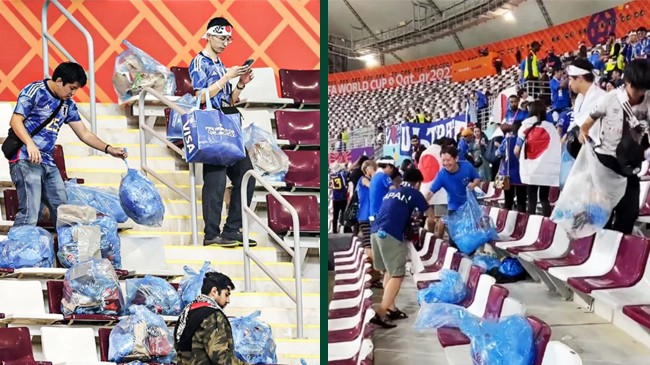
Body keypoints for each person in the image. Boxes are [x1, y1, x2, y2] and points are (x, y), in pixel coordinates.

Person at [8, 62, 127, 227]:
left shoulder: (67, 104)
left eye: (76, 89)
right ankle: (20, 250)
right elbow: (15, 120)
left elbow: (84, 133)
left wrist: (109, 149)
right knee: (30, 213)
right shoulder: (34, 91)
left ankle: (67, 251)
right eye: (71, 87)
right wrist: (30, 144)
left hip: (47, 161)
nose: (73, 93)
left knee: (64, 212)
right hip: (25, 157)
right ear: (58, 81)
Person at [189, 17, 256, 247]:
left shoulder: (219, 64)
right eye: (222, 37)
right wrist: (228, 77)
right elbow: (199, 96)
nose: (226, 42)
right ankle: (211, 233)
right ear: (209, 35)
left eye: (229, 39)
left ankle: (232, 228)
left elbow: (228, 100)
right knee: (215, 182)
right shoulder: (199, 63)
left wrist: (240, 84)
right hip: (211, 127)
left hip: (227, 125)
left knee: (247, 175)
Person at [578, 59, 650, 234]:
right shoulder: (610, 99)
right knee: (603, 212)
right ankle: (600, 248)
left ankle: (618, 248)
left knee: (630, 212)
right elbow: (587, 122)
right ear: (626, 82)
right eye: (637, 87)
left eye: (644, 88)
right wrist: (583, 132)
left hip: (630, 162)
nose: (640, 92)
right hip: (606, 161)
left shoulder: (648, 100)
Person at [370, 168, 433, 328]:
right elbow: (430, 215)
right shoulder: (414, 193)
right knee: (397, 274)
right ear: (418, 183)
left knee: (388, 272)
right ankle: (381, 311)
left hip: (375, 232)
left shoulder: (393, 192)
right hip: (390, 233)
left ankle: (391, 308)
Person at [174, 271, 249, 365]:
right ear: (214, 291)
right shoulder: (213, 315)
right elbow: (220, 357)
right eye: (226, 294)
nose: (228, 300)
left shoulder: (188, 311)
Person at [515, 101, 561, 217]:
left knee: (532, 198)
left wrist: (521, 161)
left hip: (531, 169)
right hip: (546, 169)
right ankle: (546, 223)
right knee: (544, 198)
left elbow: (516, 149)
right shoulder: (551, 127)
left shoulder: (525, 126)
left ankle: (530, 223)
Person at [424, 146, 481, 239]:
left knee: (471, 236)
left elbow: (477, 178)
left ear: (456, 158)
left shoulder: (467, 166)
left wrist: (474, 184)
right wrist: (422, 202)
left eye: (448, 160)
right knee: (454, 239)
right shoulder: (442, 175)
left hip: (470, 206)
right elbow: (430, 192)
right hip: (453, 208)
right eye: (443, 160)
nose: (446, 163)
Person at [369, 157, 397, 222]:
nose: (392, 171)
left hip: (372, 214)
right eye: (392, 168)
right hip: (381, 213)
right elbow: (394, 190)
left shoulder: (375, 177)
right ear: (388, 166)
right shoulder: (384, 176)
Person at [329, 163, 348, 234]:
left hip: (335, 197)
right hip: (342, 197)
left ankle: (334, 230)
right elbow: (346, 173)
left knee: (335, 216)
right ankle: (345, 228)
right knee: (344, 214)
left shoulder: (331, 175)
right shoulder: (342, 174)